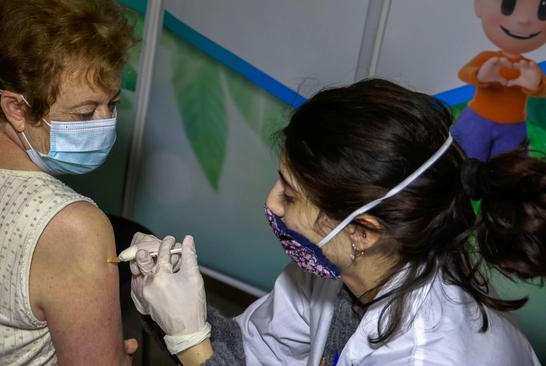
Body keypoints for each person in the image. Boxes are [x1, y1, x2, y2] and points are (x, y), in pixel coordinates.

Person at [129, 79, 545, 365]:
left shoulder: (428, 354)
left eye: (290, 195)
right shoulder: (340, 267)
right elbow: (252, 354)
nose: (271, 204)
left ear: (362, 231)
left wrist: (191, 342)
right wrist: (178, 316)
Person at [0, 0, 137, 364]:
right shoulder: (76, 227)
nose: (105, 122)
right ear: (15, 108)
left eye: (113, 103)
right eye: (85, 112)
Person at [451, 0, 546, 161]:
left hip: (513, 127)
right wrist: (480, 75)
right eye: (508, 5)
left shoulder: (529, 68)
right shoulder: (488, 58)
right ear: (479, 5)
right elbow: (464, 73)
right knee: (466, 157)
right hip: (477, 120)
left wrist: (536, 85)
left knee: (507, 166)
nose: (524, 20)